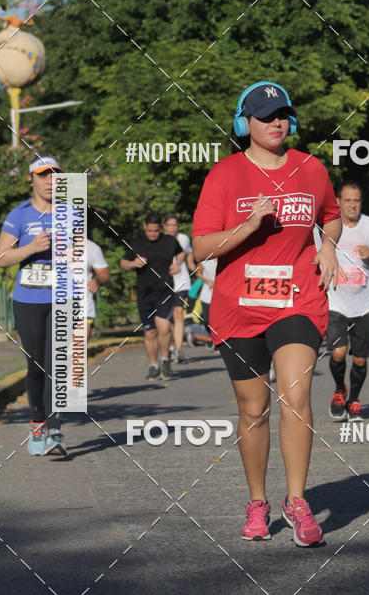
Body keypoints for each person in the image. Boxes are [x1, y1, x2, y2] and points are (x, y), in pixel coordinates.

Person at [192, 80, 341, 547]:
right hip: (239, 307)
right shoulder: (225, 175)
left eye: (282, 114)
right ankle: (257, 501)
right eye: (265, 116)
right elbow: (201, 248)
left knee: (296, 394)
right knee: (252, 409)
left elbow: (331, 215)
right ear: (245, 124)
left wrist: (330, 247)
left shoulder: (310, 168)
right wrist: (249, 224)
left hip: (298, 300)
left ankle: (297, 501)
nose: (276, 122)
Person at [0, 155, 67, 456]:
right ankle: (37, 425)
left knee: (57, 366)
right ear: (32, 179)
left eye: (54, 176)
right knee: (36, 365)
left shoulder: (70, 213)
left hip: (62, 298)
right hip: (28, 300)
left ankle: (55, 431)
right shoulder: (19, 215)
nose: (50, 181)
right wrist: (32, 248)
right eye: (43, 175)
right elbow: (2, 258)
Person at [324, 181, 369, 420]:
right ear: (338, 201)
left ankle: (355, 399)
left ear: (361, 202)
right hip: (336, 301)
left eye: (356, 200)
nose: (352, 205)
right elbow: (317, 254)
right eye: (347, 200)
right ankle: (340, 390)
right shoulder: (330, 226)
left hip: (364, 303)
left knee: (360, 358)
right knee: (338, 352)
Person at [120, 212, 182, 380]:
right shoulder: (137, 244)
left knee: (163, 326)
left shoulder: (169, 241)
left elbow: (181, 253)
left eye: (155, 231)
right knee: (150, 333)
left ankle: (165, 360)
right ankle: (154, 365)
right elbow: (123, 263)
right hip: (145, 293)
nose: (152, 234)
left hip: (165, 290)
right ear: (144, 227)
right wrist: (133, 263)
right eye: (149, 231)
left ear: (160, 228)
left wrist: (177, 265)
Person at [162, 213, 196, 362]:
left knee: (178, 314)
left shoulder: (183, 238)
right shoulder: (159, 240)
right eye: (170, 225)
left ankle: (177, 349)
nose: (173, 228)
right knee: (166, 318)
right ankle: (169, 347)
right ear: (164, 226)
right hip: (165, 283)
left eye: (175, 225)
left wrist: (191, 266)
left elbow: (189, 253)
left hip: (182, 282)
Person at [86, 239, 110, 339]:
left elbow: (104, 274)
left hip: (82, 303)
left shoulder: (91, 247)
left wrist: (97, 281)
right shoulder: (49, 243)